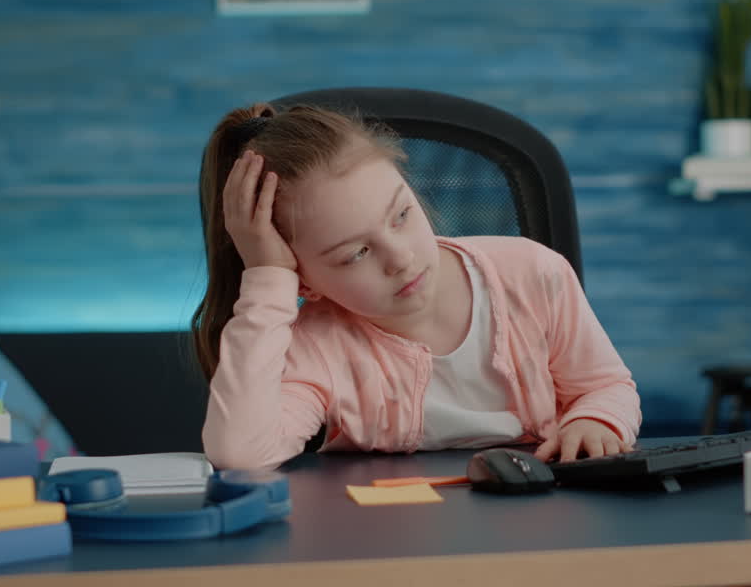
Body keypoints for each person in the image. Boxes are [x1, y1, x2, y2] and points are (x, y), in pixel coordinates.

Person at [193, 101, 641, 471]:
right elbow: (241, 454)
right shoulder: (315, 346)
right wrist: (268, 276)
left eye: (402, 215)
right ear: (305, 282)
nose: (401, 258)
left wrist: (597, 420)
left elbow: (605, 387)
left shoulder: (534, 273)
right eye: (356, 254)